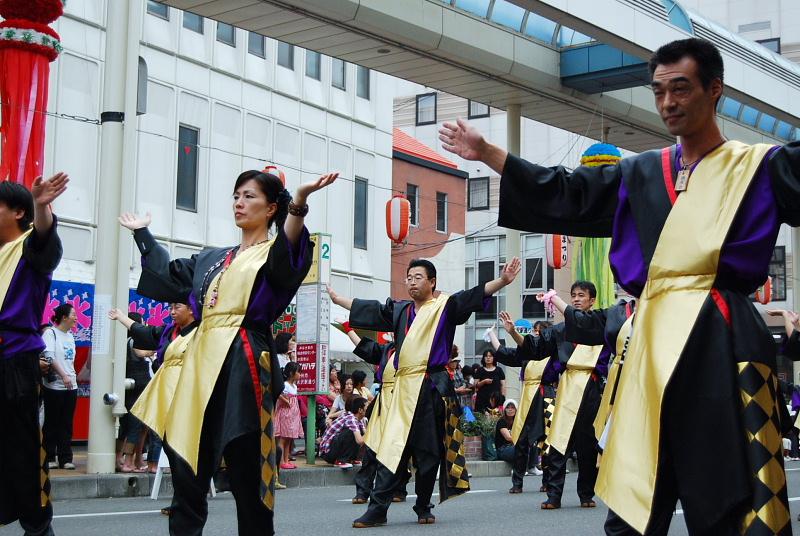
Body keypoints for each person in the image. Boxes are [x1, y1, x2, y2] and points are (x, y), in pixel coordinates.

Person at [440, 36, 800, 535]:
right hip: (648, 343)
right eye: (658, 91)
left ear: (715, 89)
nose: (668, 102)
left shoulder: (760, 166)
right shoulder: (641, 173)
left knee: (734, 498)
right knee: (632, 502)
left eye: (681, 88)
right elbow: (566, 191)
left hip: (724, 338)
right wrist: (490, 154)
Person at [120, 169, 336, 536]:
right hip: (199, 362)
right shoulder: (213, 258)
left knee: (247, 473)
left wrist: (298, 203)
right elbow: (170, 275)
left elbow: (291, 256)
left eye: (249, 196)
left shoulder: (273, 253)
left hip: (245, 361)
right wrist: (143, 233)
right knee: (187, 468)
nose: (239, 202)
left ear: (270, 209)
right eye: (236, 195)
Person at [331, 256, 520, 528]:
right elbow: (371, 310)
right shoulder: (399, 311)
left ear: (432, 282)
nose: (411, 281)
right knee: (390, 449)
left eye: (418, 277)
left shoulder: (445, 307)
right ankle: (377, 509)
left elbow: (471, 296)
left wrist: (502, 280)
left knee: (428, 452)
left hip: (431, 388)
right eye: (408, 277)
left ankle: (423, 505)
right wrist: (339, 300)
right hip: (401, 390)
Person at [0, 173, 68, 536]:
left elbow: (45, 238)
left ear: (17, 213)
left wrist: (42, 208)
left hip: (15, 364)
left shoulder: (30, 248)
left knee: (24, 457)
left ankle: (38, 530)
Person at [487, 312, 563, 494]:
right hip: (528, 397)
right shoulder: (527, 354)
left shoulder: (555, 353)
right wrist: (492, 335)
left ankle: (547, 481)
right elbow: (505, 354)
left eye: (539, 332)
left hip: (547, 397)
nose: (536, 335)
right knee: (521, 440)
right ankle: (517, 482)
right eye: (535, 332)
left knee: (547, 441)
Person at [41, 303, 78, 470]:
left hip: (71, 386)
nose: (76, 318)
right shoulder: (50, 333)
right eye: (73, 315)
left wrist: (69, 377)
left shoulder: (70, 336)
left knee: (66, 423)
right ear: (64, 317)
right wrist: (63, 375)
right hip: (54, 386)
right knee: (51, 423)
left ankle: (65, 458)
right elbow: (49, 356)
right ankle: (49, 456)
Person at [319, 396, 367, 468]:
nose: (368, 409)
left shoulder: (359, 419)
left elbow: (365, 433)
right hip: (327, 453)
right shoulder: (351, 418)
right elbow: (360, 441)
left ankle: (351, 459)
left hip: (333, 449)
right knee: (350, 433)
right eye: (367, 407)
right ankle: (340, 460)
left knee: (359, 433)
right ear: (360, 410)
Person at [275, 362, 303, 470]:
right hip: (286, 413)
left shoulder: (294, 386)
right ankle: (281, 461)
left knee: (289, 439)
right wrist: (286, 400)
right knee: (283, 439)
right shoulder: (285, 385)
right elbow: (278, 394)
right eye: (298, 372)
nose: (300, 375)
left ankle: (286, 460)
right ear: (292, 373)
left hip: (293, 414)